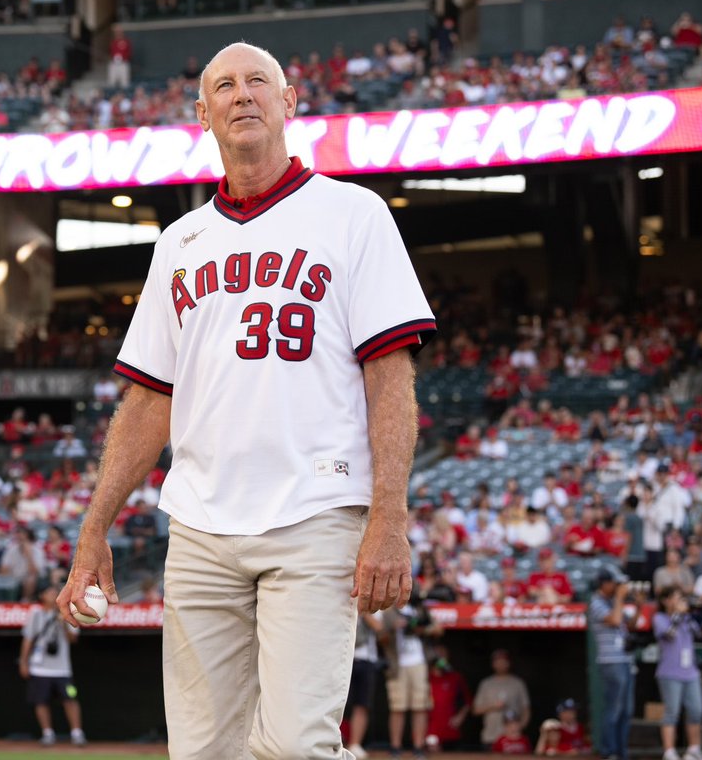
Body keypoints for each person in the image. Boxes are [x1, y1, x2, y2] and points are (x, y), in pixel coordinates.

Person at [57, 40, 435, 760]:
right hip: (200, 524)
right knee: (201, 752)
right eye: (225, 86)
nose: (243, 95)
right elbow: (146, 402)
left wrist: (389, 514)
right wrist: (93, 528)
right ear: (204, 114)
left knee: (295, 748)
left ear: (289, 102)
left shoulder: (354, 214)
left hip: (318, 512)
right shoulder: (179, 242)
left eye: (259, 81)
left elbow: (390, 377)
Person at [22, 585, 86, 746]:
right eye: (50, 592)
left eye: (56, 592)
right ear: (42, 596)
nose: (54, 595)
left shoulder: (68, 613)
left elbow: (73, 639)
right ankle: (47, 733)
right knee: (41, 701)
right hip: (39, 668)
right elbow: (28, 639)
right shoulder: (35, 613)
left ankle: (77, 733)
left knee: (70, 698)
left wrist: (62, 620)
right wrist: (23, 661)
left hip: (62, 669)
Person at [653, 587, 702, 760]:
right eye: (676, 598)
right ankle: (669, 751)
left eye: (681, 599)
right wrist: (678, 615)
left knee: (696, 710)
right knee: (672, 712)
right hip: (670, 672)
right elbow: (669, 634)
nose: (680, 602)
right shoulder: (660, 618)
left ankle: (694, 749)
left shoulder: (687, 619)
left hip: (690, 672)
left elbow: (701, 635)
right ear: (666, 600)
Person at [383, 596, 438, 758]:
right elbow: (381, 636)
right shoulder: (388, 610)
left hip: (419, 661)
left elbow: (437, 628)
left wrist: (421, 629)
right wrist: (394, 627)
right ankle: (395, 746)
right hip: (397, 664)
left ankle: (418, 746)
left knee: (420, 705)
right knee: (397, 706)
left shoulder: (420, 609)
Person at [590, 566, 634, 760]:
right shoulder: (596, 602)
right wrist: (620, 597)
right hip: (611, 661)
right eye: (614, 584)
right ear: (604, 583)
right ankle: (610, 751)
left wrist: (639, 605)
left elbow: (630, 624)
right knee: (614, 709)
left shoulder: (611, 601)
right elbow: (615, 619)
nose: (618, 587)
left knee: (626, 710)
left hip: (625, 660)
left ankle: (621, 752)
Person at [473, 649, 531, 749]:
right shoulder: (486, 684)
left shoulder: (517, 683)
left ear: (509, 663)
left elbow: (526, 709)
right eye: (497, 662)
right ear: (493, 664)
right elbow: (475, 710)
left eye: (503, 661)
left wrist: (520, 726)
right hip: (491, 736)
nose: (501, 664)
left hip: (513, 738)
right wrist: (493, 706)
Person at [345, 610, 384, 758]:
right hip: (343, 657)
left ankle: (355, 744)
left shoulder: (373, 603)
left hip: (366, 658)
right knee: (335, 702)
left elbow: (378, 626)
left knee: (362, 704)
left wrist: (362, 610)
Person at [426, 646, 471, 751]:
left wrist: (460, 717)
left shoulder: (455, 677)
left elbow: (468, 701)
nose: (441, 659)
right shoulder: (424, 678)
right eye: (438, 655)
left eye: (444, 656)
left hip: (451, 731)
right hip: (430, 731)